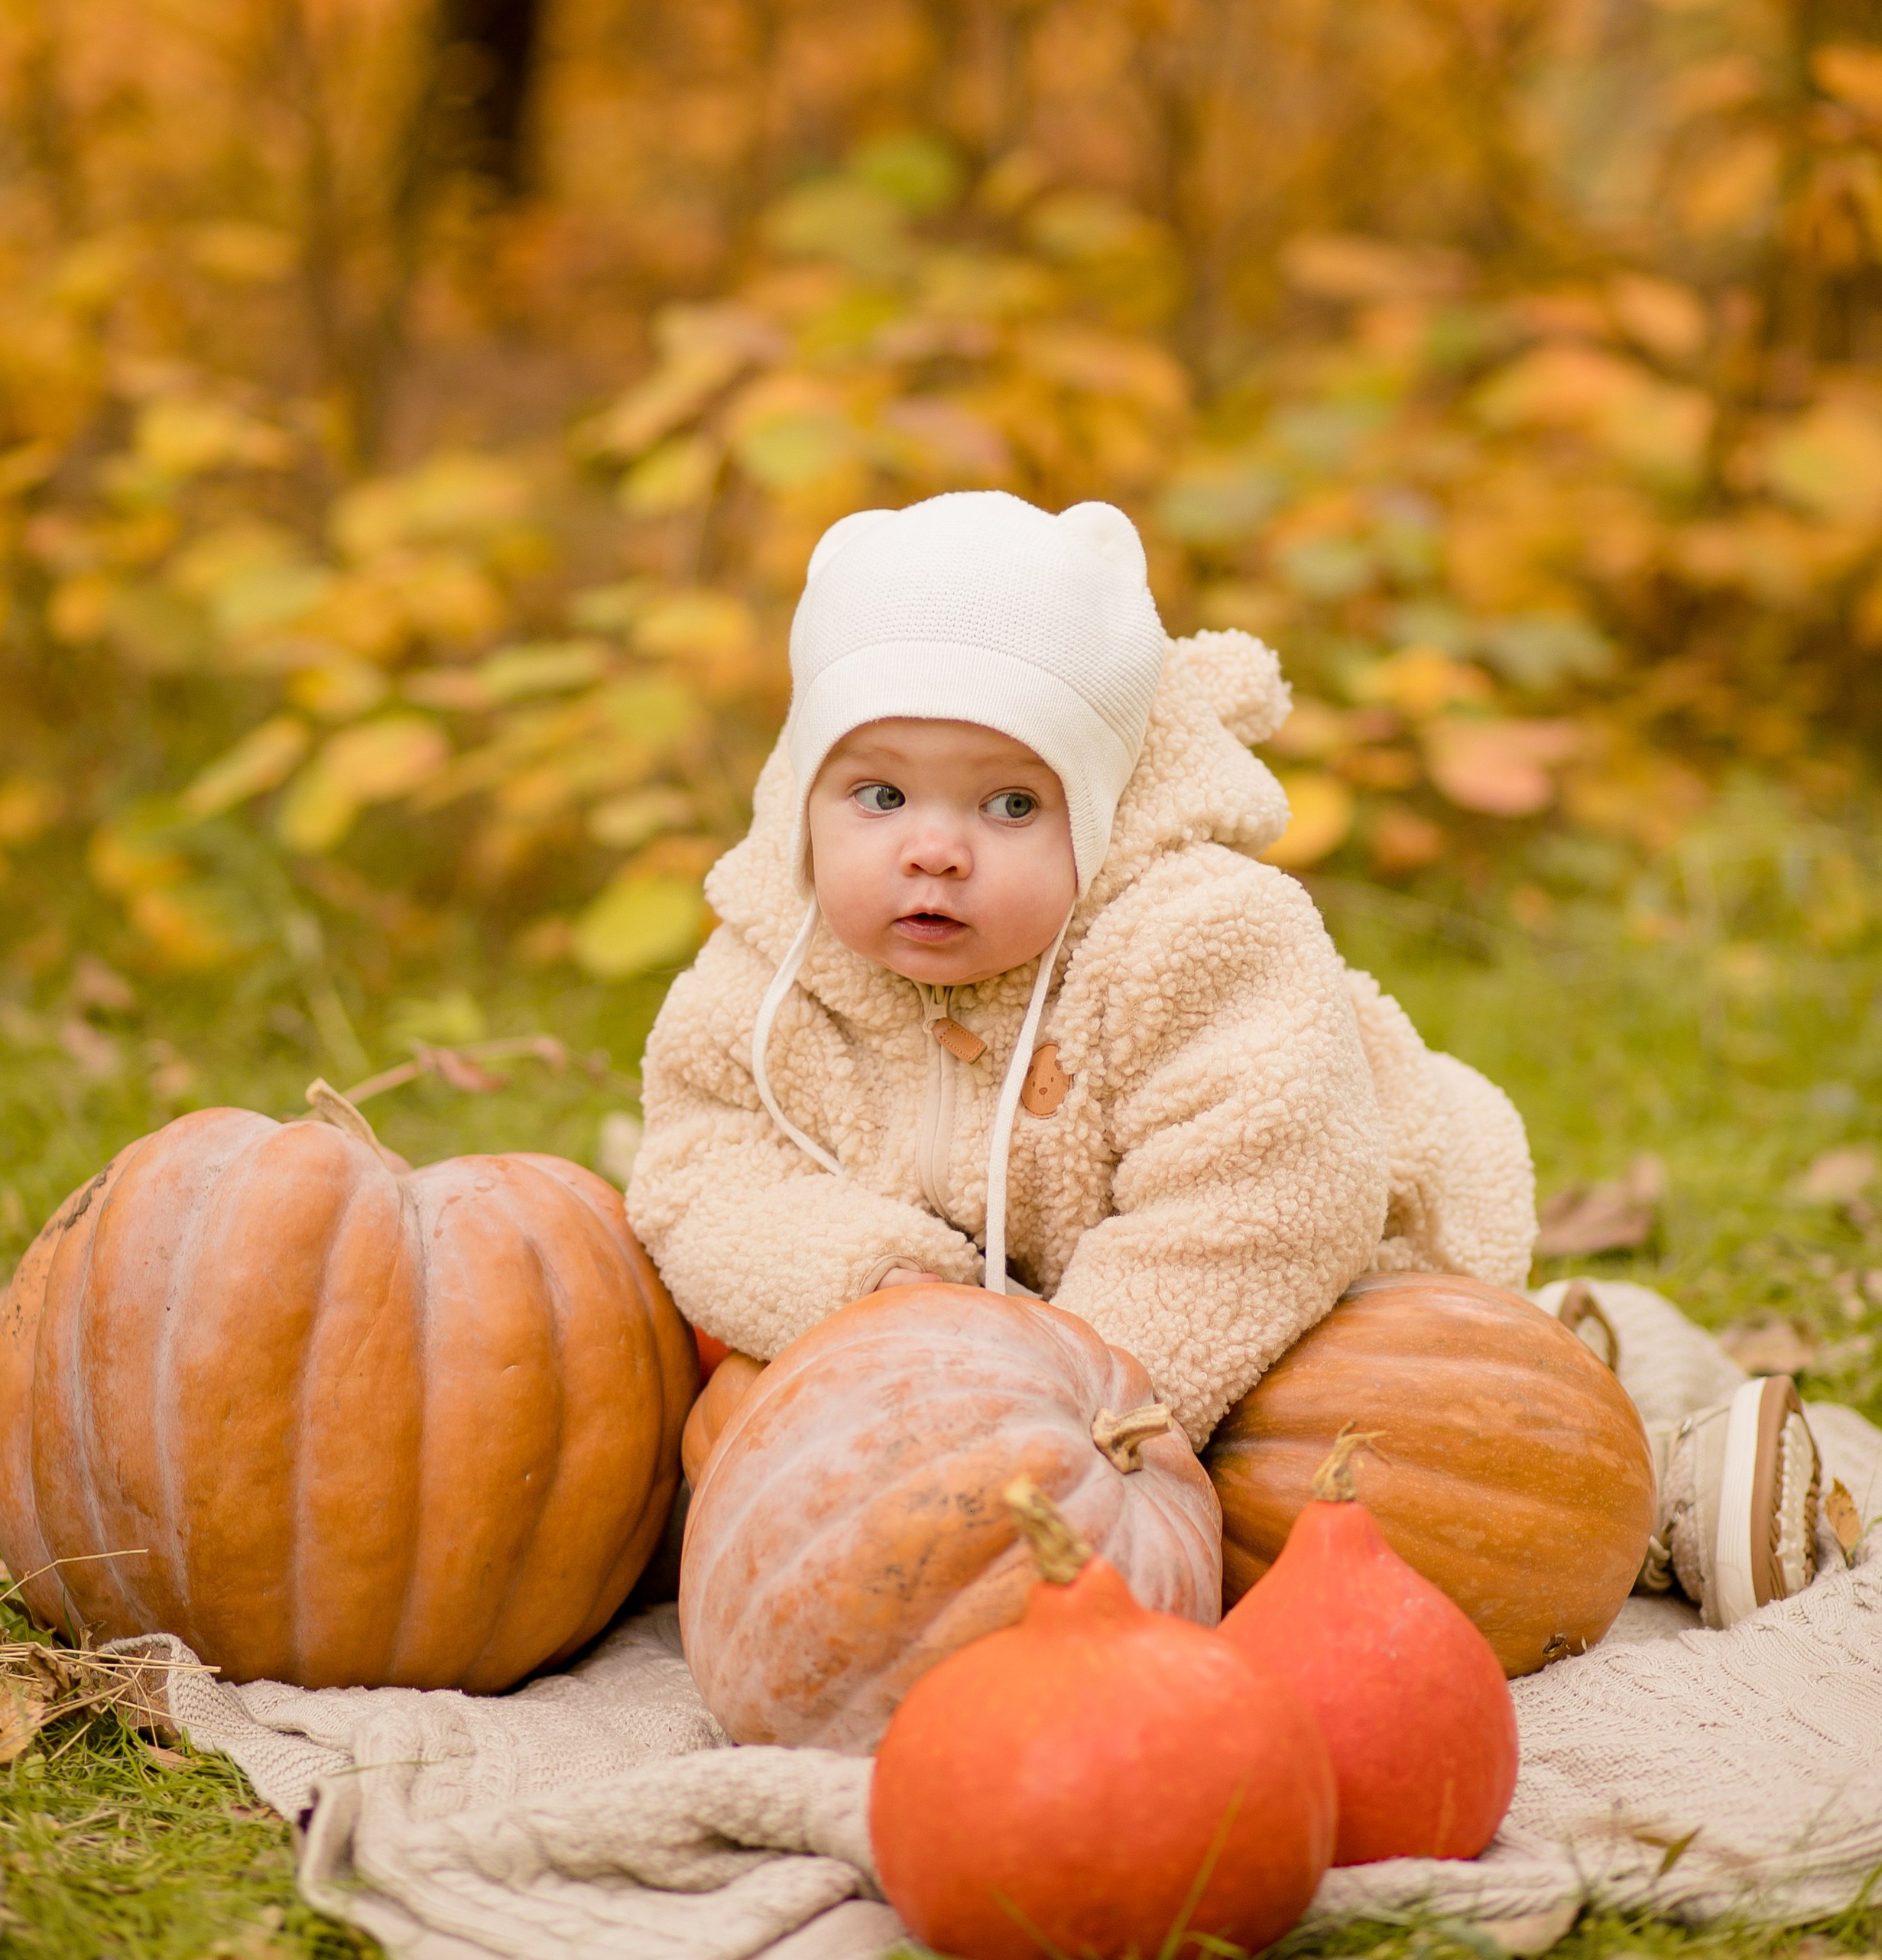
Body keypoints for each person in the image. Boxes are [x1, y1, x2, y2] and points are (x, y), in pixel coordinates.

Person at [625, 490, 1816, 1621]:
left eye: (1010, 807)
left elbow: (1265, 1199)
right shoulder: (772, 970)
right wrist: (877, 1289)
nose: (934, 850)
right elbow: (703, 1170)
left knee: (1367, 1452)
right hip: (994, 1329)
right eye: (880, 796)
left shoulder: (1198, 937)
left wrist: (1068, 1416)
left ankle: (1653, 1459)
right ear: (805, 798)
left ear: (1097, 801)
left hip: (1297, 1285)